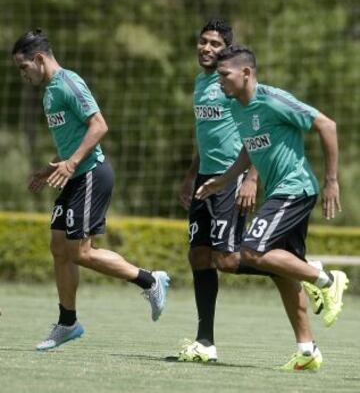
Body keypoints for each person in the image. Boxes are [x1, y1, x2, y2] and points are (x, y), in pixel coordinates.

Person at [178, 19, 325, 369]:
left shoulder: (235, 85)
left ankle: (294, 270)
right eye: (203, 42)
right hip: (206, 179)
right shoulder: (202, 84)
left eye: (215, 43)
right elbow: (205, 135)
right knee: (199, 256)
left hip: (232, 178)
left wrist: (251, 177)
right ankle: (205, 343)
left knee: (228, 260)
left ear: (227, 49)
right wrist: (190, 175)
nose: (207, 48)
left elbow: (258, 132)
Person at [12, 29, 170, 351]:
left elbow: (99, 125)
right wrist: (53, 165)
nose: (22, 74)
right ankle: (68, 322)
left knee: (80, 252)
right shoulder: (48, 93)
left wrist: (71, 165)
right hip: (73, 175)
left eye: (23, 67)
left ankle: (150, 280)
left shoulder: (68, 82)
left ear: (39, 59)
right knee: (59, 246)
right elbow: (72, 141)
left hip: (91, 175)